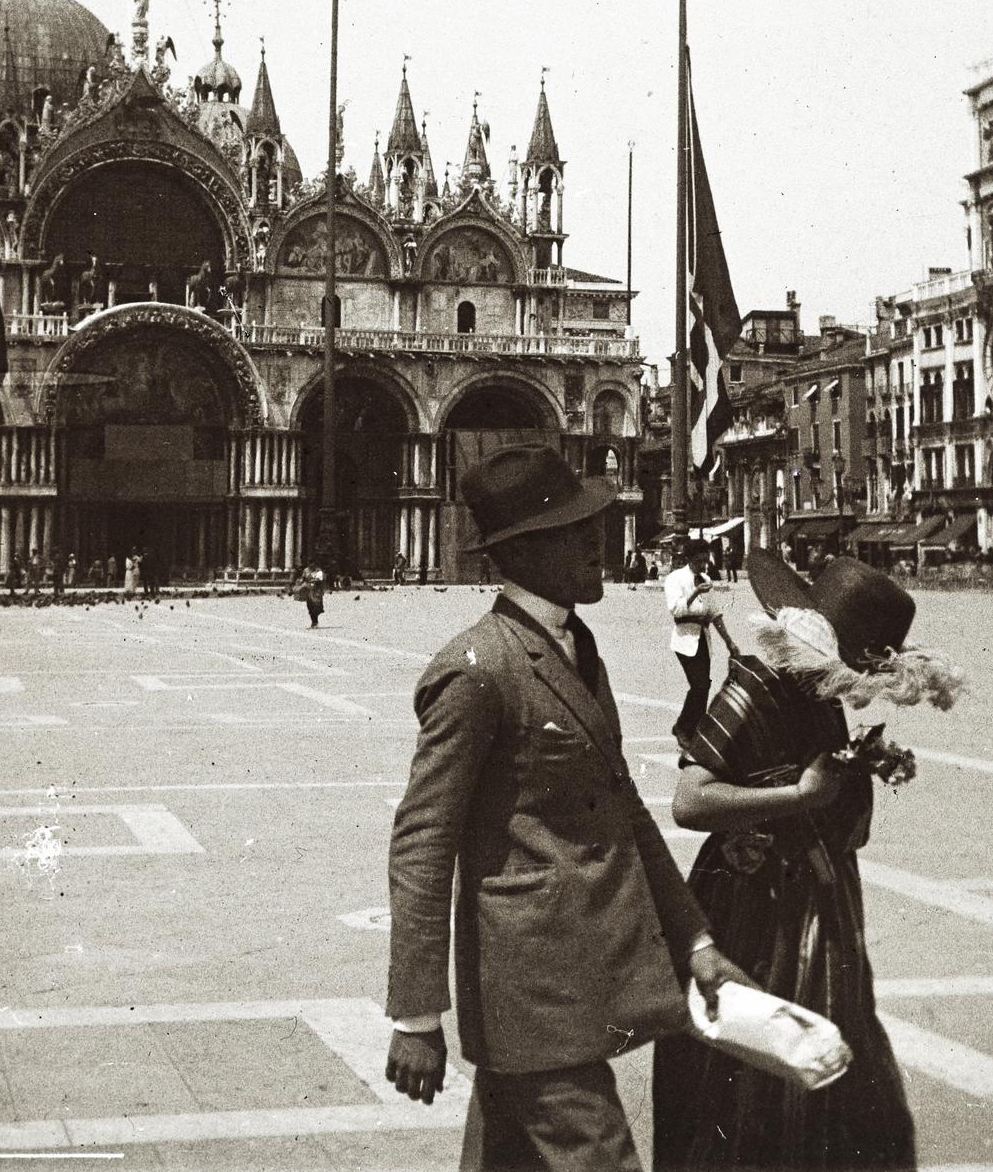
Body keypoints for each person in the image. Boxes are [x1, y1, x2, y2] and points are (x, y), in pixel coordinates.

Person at [385, 445, 747, 1169]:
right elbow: (422, 840)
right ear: (522, 552)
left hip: (570, 980)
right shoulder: (477, 668)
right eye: (575, 531)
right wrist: (417, 1014)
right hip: (538, 992)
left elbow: (624, 812)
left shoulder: (576, 645)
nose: (597, 544)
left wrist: (695, 942)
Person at [652, 551, 963, 1170]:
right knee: (760, 1065)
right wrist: (798, 795)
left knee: (829, 1051)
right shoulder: (758, 683)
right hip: (757, 907)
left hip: (819, 903)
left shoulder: (814, 689)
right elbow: (689, 799)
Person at [664, 539, 742, 752]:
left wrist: (729, 642)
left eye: (706, 561)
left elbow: (715, 613)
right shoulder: (675, 579)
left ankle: (694, 731)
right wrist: (696, 592)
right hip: (684, 639)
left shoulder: (706, 579)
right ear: (688, 559)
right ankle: (682, 728)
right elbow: (676, 610)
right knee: (698, 685)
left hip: (702, 639)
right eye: (698, 561)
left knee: (704, 685)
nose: (703, 565)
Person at [290, 561, 326, 627]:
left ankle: (315, 621)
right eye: (310, 563)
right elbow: (303, 579)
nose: (311, 565)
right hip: (308, 590)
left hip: (316, 591)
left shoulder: (318, 570)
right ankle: (314, 622)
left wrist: (313, 581)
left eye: (313, 563)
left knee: (316, 606)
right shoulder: (306, 570)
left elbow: (319, 580)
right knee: (310, 606)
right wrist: (299, 583)